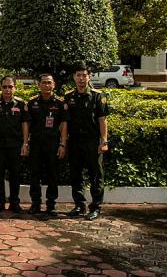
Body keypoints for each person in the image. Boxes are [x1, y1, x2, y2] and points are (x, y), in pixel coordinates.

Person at [65, 65, 110, 221]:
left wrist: (104, 141)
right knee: (76, 175)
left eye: (84, 75)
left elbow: (102, 120)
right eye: (78, 75)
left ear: (89, 77)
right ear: (74, 77)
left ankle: (96, 207)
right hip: (75, 142)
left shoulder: (98, 96)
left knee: (95, 176)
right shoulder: (69, 97)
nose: (81, 78)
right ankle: (79, 205)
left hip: (92, 142)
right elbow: (64, 123)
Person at [26, 73, 68, 216]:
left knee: (53, 175)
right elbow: (27, 124)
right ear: (39, 85)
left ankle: (51, 205)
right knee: (35, 175)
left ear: (54, 85)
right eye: (44, 82)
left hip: (53, 144)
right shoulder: (32, 103)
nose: (46, 85)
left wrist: (63, 144)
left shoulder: (60, 103)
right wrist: (26, 143)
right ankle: (35, 203)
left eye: (49, 83)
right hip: (36, 144)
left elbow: (63, 124)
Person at [0, 76, 29, 214]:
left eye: (10, 87)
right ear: (0, 88)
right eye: (4, 87)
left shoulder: (21, 104)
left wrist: (25, 143)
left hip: (15, 145)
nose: (7, 89)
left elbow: (25, 125)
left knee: (15, 175)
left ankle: (14, 203)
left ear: (15, 88)